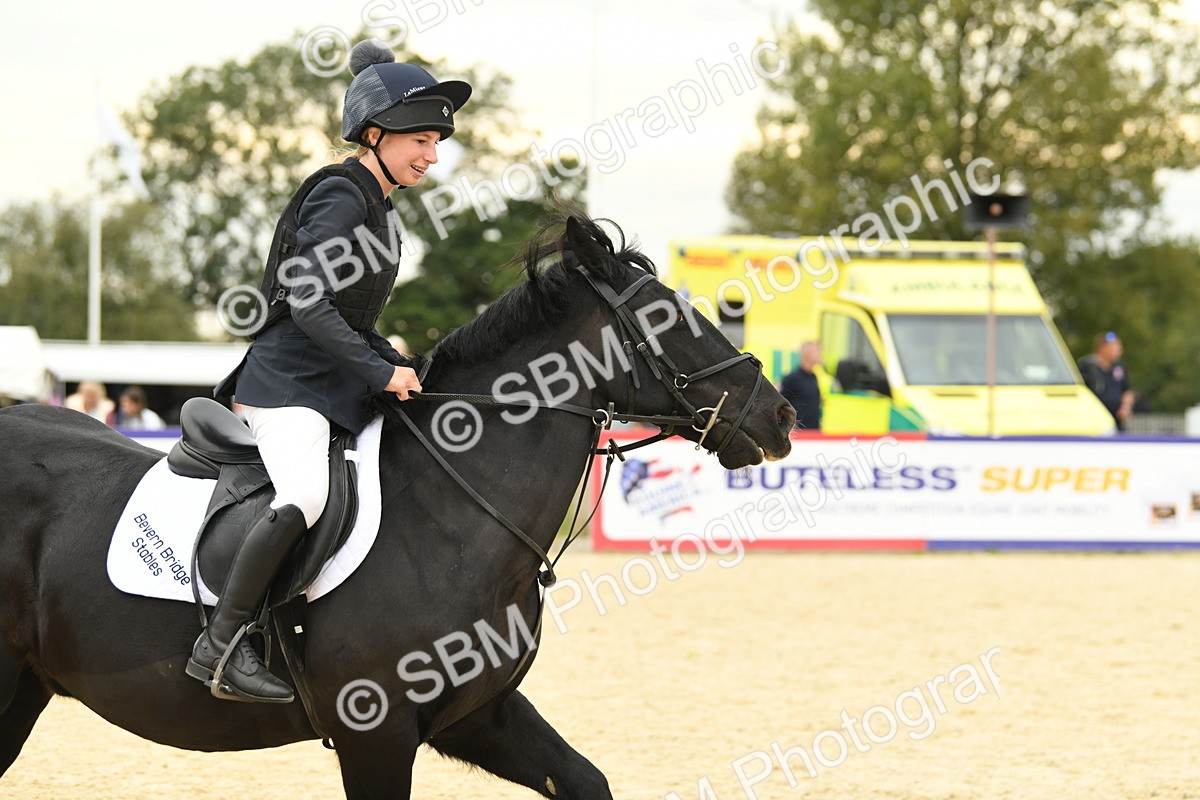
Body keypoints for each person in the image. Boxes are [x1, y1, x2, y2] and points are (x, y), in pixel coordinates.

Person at [191, 40, 472, 703]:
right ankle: (222, 643)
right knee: (306, 495)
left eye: (436, 142)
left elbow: (352, 316)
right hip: (288, 384)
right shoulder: (342, 196)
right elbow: (309, 304)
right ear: (375, 135)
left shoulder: (379, 205)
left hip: (329, 383)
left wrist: (396, 363)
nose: (432, 156)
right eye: (421, 141)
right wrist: (378, 371)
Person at [1078, 331, 1134, 431]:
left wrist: (1126, 407)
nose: (1120, 351)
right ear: (1103, 347)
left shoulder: (1119, 367)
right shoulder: (1087, 366)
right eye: (1116, 347)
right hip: (1094, 423)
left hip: (1116, 422)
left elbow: (1127, 391)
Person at [780, 341, 822, 430]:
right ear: (808, 354)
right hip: (800, 433)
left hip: (814, 431)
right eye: (817, 351)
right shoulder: (792, 379)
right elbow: (782, 404)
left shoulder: (813, 377)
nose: (820, 354)